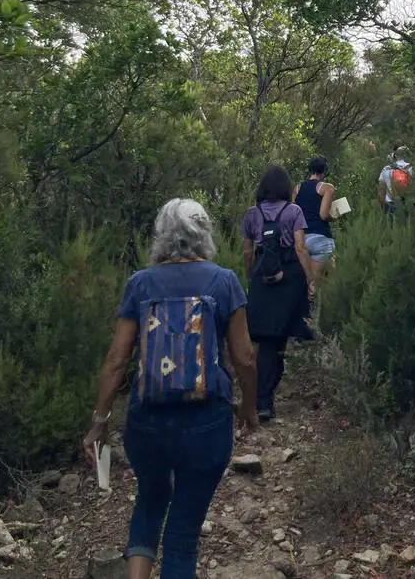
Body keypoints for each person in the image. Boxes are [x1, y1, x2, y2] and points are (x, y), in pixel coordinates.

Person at [83, 199, 258, 579]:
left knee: (149, 502)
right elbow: (244, 358)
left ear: (161, 236)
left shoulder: (140, 283)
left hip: (148, 423)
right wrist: (249, 407)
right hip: (206, 424)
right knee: (181, 533)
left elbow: (116, 360)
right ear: (204, 234)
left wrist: (99, 422)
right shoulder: (224, 280)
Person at [242, 165, 313, 422]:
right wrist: (310, 280)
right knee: (281, 338)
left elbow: (247, 252)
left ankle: (262, 400)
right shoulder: (294, 211)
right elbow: (300, 248)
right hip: (289, 278)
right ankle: (266, 397)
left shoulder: (251, 214)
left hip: (263, 278)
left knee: (266, 341)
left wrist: (251, 277)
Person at [294, 155, 336, 281]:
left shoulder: (297, 188)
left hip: (301, 239)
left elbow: (293, 214)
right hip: (320, 237)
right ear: (324, 171)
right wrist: (333, 217)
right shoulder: (327, 188)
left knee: (306, 282)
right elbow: (323, 215)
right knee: (322, 283)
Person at [378, 145, 414, 218]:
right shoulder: (411, 168)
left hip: (389, 205)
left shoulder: (386, 169)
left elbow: (381, 192)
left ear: (395, 155)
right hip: (407, 204)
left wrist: (382, 209)